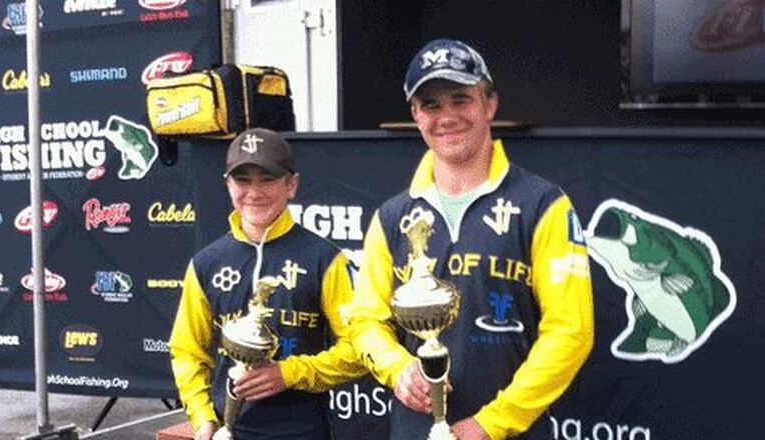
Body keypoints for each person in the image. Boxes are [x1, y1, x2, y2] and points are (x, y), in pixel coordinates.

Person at [346, 39, 594, 440]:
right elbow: (364, 321)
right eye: (431, 105)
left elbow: (571, 331)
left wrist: (491, 423)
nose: (447, 116)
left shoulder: (543, 204)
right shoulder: (392, 217)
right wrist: (398, 369)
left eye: (460, 99)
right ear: (415, 114)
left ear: (489, 104)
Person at [169, 128, 367, 440]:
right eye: (243, 180)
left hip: (303, 431)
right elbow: (186, 351)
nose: (254, 191)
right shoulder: (206, 263)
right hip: (228, 430)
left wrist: (288, 374)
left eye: (268, 179)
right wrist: (203, 418)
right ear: (227, 184)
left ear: (292, 185)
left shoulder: (325, 259)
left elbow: (359, 350)